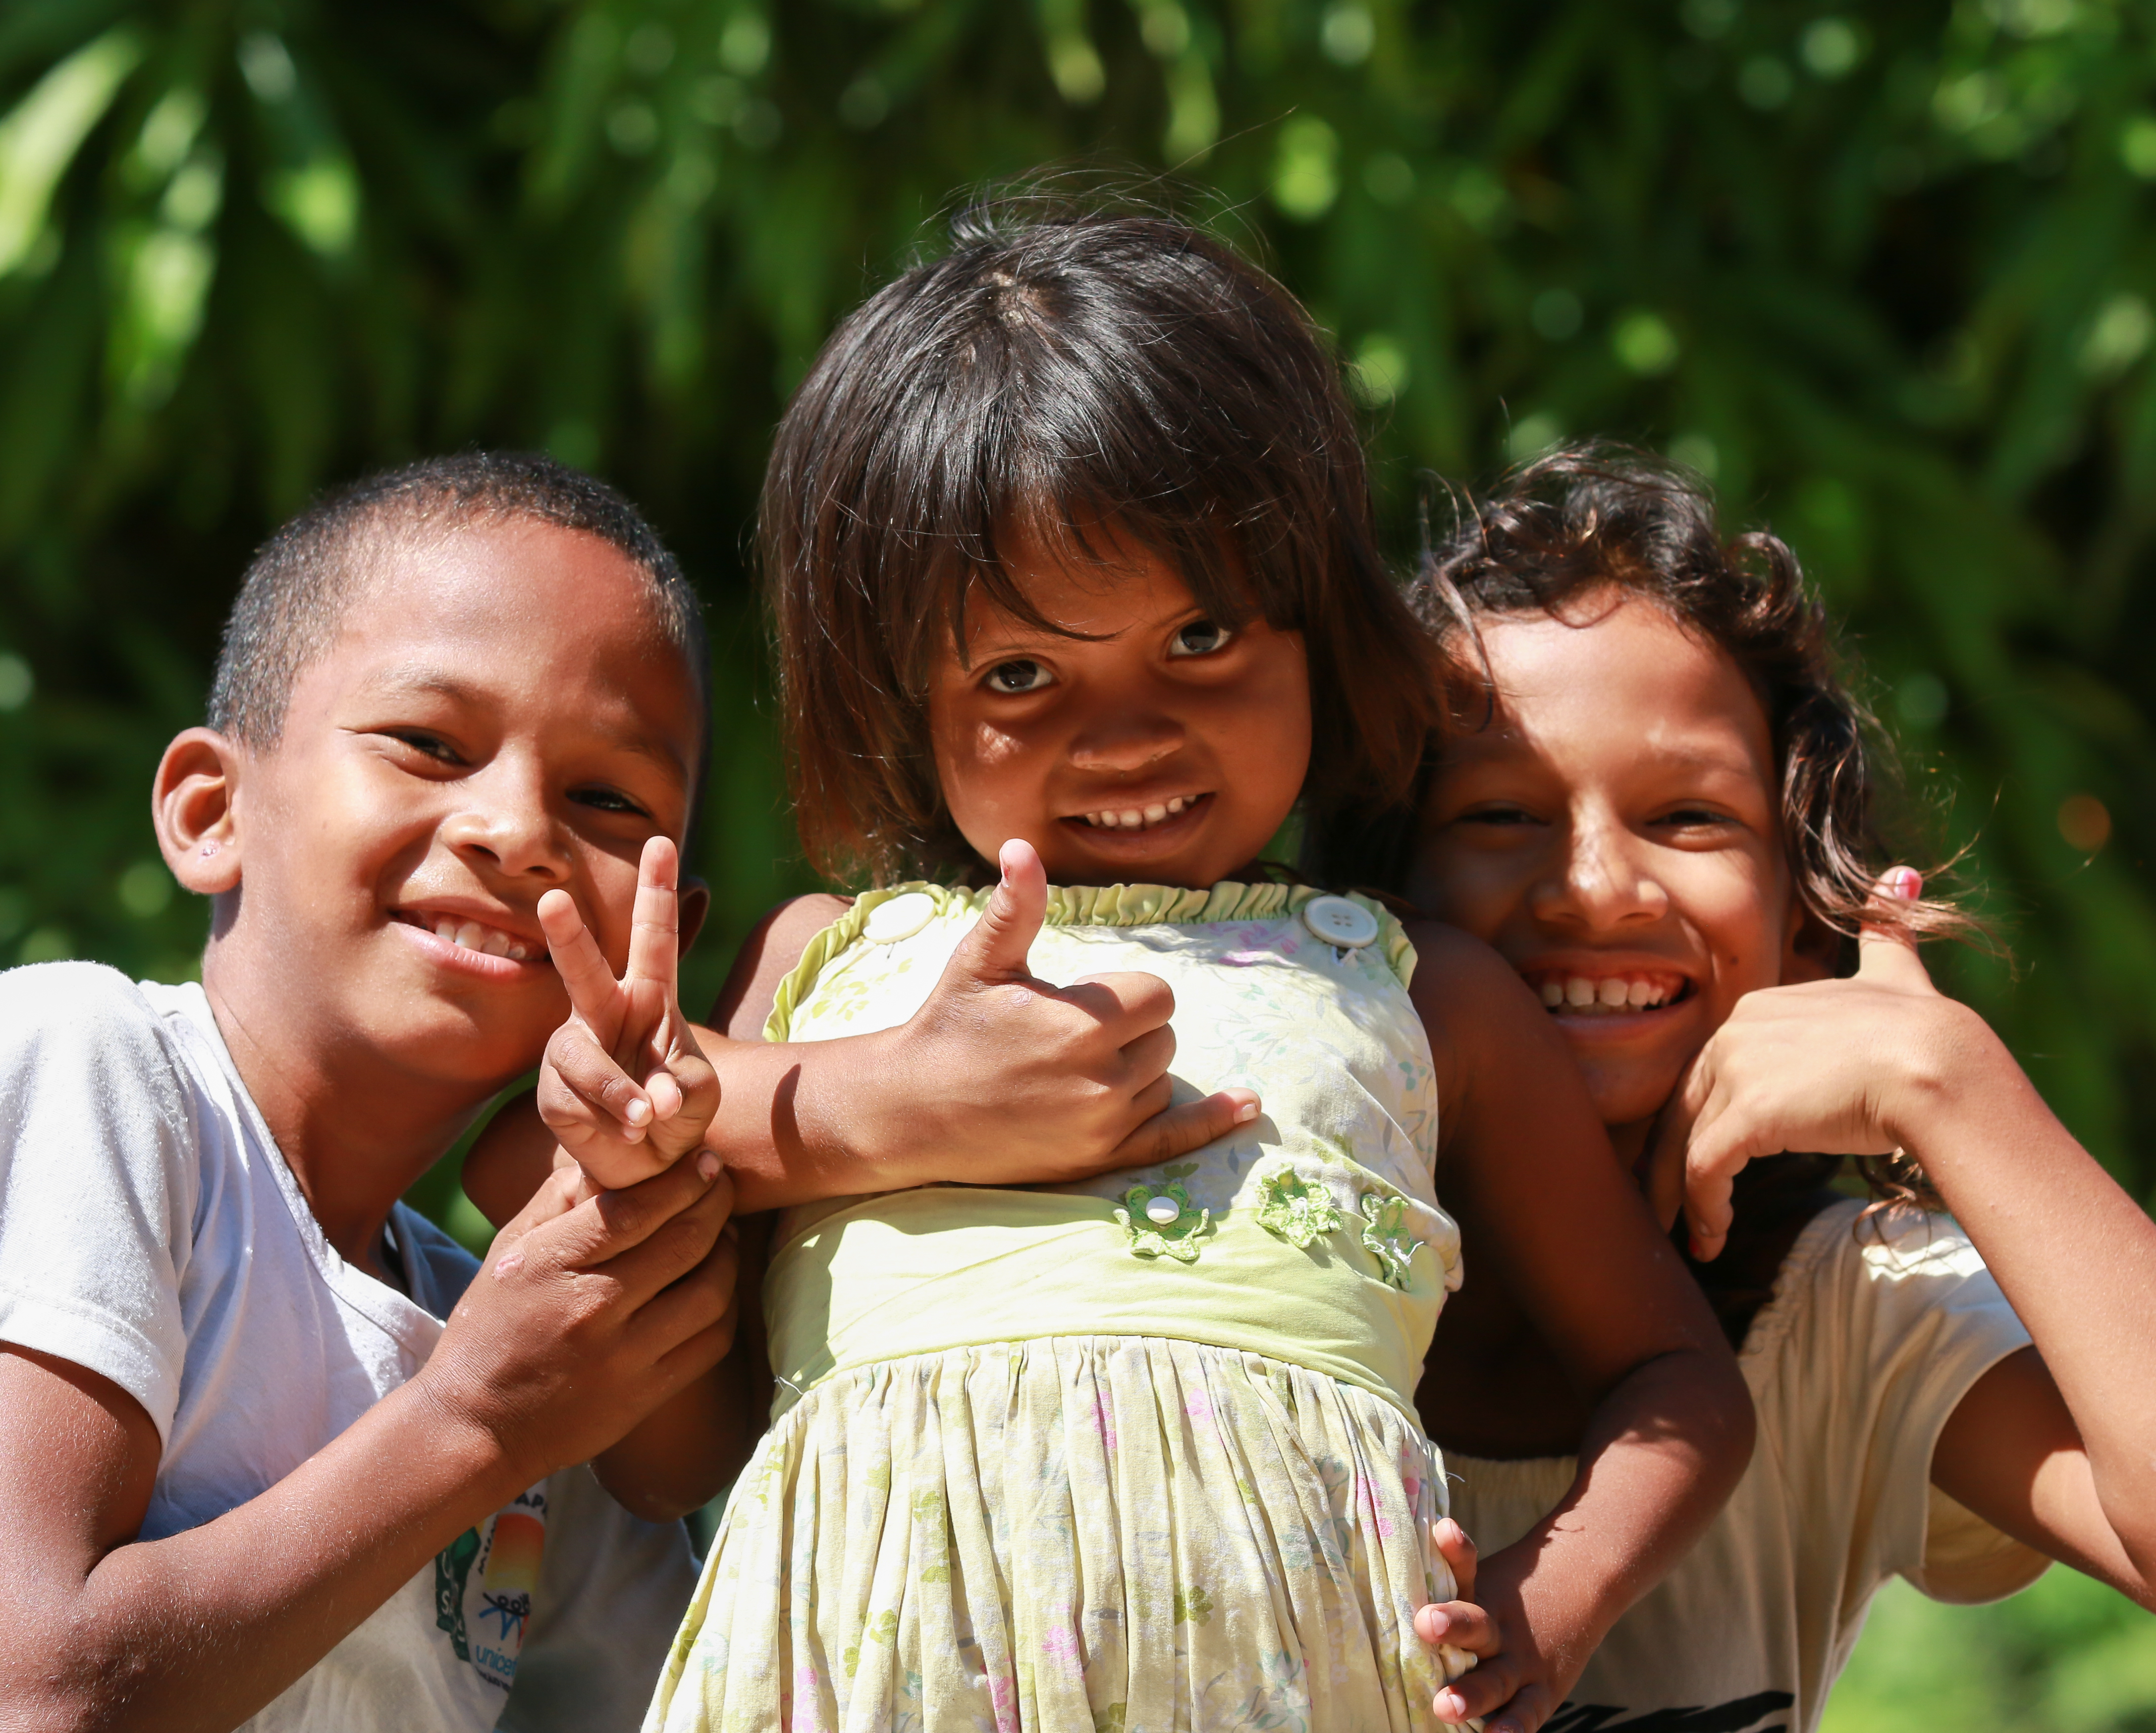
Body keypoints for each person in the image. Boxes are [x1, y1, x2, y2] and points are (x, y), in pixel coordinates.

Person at [606, 211, 1755, 1733]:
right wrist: (744, 1139)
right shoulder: (832, 966)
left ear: (1320, 626)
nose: (1130, 731)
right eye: (1021, 673)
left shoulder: (1425, 996)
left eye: (1202, 634)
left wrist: (1553, 1596)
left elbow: (1679, 1381)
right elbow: (669, 1454)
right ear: (903, 692)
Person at [0, 453, 744, 1733]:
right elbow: (15, 1706)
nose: (518, 828)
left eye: (605, 798)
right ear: (214, 810)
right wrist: (475, 1425)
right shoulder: (86, 1067)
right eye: (431, 744)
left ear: (677, 931)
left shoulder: (532, 1344)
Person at [1398, 445, 2156, 1733]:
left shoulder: (1851, 1313)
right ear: (1374, 895)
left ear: (1807, 923)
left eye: (1688, 820)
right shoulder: (1259, 1242)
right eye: (1497, 817)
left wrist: (1946, 1080)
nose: (1593, 888)